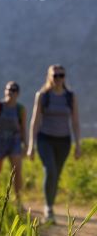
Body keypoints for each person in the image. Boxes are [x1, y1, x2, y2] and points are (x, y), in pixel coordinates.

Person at [27, 64, 81, 223]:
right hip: (45, 139)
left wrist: (78, 145)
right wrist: (31, 146)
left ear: (64, 77)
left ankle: (50, 203)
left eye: (61, 75)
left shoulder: (70, 97)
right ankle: (48, 207)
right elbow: (35, 121)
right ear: (49, 77)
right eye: (55, 75)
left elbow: (75, 122)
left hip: (64, 141)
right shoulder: (43, 96)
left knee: (56, 174)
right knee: (50, 170)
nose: (58, 78)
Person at [0, 81, 27, 203]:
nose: (10, 92)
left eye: (13, 90)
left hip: (15, 140)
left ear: (18, 93)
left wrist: (26, 144)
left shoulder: (20, 109)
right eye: (8, 89)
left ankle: (18, 200)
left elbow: (23, 127)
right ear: (5, 91)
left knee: (17, 170)